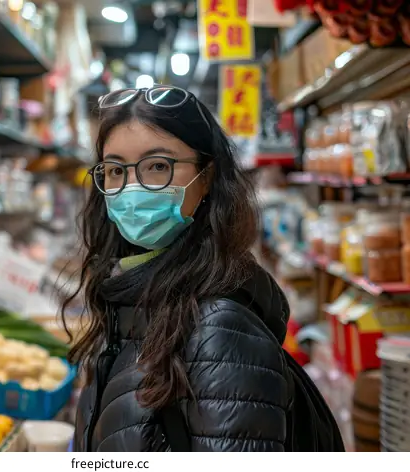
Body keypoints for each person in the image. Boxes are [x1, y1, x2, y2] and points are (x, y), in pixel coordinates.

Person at [63, 86, 344, 452]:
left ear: (207, 176)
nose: (131, 188)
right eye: (116, 170)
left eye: (158, 166)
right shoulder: (130, 299)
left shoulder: (220, 331)